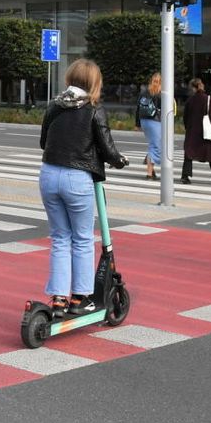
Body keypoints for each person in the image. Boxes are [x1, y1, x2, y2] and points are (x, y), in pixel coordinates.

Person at [37, 58, 127, 318]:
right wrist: (120, 160)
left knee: (60, 238)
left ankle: (58, 299)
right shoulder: (94, 109)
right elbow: (108, 149)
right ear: (94, 83)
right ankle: (80, 298)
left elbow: (44, 142)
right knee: (83, 238)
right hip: (77, 179)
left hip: (49, 175)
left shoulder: (54, 106)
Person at [181, 77, 211, 184]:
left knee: (189, 153)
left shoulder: (190, 100)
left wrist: (187, 127)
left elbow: (186, 117)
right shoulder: (208, 99)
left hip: (193, 131)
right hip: (206, 130)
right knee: (210, 150)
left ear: (194, 88)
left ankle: (185, 176)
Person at [134, 72, 163, 180]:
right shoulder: (161, 93)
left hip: (144, 121)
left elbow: (138, 108)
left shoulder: (144, 92)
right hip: (155, 121)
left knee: (154, 144)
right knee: (155, 146)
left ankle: (151, 167)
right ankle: (149, 173)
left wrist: (137, 124)